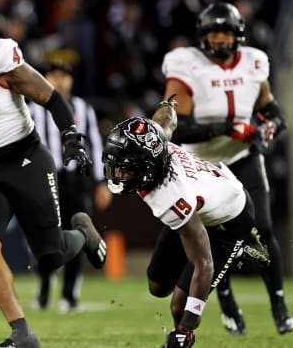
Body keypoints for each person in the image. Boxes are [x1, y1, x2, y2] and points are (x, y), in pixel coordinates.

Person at [0, 0, 106, 348]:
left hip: (25, 159)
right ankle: (21, 332)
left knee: (52, 254)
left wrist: (71, 137)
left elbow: (52, 97)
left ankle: (83, 234)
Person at [162, 2, 293, 335]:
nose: (219, 40)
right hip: (200, 163)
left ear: (237, 36)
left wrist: (271, 126)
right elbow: (177, 124)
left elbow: (271, 109)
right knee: (212, 237)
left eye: (225, 33)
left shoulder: (254, 62)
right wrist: (226, 127)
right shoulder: (185, 65)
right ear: (202, 37)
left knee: (263, 229)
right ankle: (226, 300)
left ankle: (278, 304)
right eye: (213, 33)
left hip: (241, 156)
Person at [102, 99, 270, 348]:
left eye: (126, 169)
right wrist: (167, 103)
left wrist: (185, 328)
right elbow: (167, 118)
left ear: (148, 168)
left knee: (179, 306)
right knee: (158, 286)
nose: (118, 174)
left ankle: (241, 246)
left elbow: (204, 263)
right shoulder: (156, 143)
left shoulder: (172, 197)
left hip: (230, 219)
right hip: (201, 203)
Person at [28, 61, 111, 313]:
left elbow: (95, 144)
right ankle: (43, 289)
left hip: (74, 180)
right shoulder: (33, 109)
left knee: (77, 233)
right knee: (43, 236)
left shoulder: (82, 108)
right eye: (54, 75)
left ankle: (69, 294)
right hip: (43, 179)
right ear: (45, 77)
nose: (60, 81)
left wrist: (101, 182)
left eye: (64, 76)